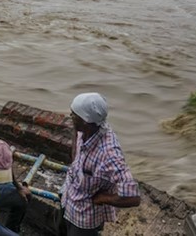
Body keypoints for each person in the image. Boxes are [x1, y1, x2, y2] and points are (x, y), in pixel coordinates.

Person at [60, 93, 141, 236]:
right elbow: (76, 134)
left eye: (74, 114)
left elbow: (133, 197)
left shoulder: (109, 154)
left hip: (84, 218)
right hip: (67, 196)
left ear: (85, 121)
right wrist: (75, 160)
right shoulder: (85, 129)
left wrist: (103, 198)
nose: (70, 115)